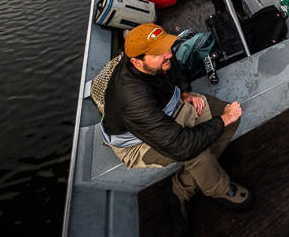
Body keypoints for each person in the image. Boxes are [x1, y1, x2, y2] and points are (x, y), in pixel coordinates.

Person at [101, 23, 252, 216]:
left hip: (170, 106)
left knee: (230, 119)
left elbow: (176, 69)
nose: (169, 55)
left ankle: (186, 182)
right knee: (198, 152)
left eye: (166, 48)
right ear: (137, 63)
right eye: (158, 53)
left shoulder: (158, 61)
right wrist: (223, 119)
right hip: (138, 143)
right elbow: (181, 147)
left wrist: (184, 92)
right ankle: (215, 189)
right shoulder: (132, 98)